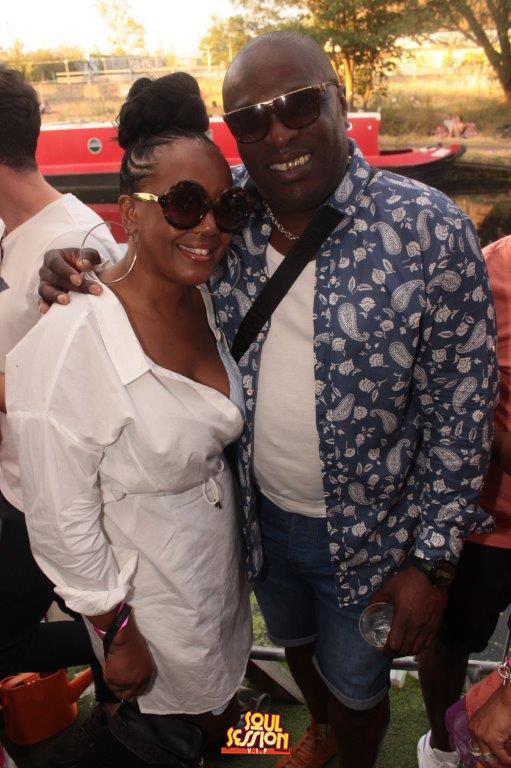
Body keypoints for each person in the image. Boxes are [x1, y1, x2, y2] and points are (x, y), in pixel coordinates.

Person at [38, 33, 497, 768]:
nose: (278, 133)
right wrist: (69, 265)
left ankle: (348, 750)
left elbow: (462, 413)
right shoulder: (226, 217)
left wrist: (431, 564)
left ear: (338, 101)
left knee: (360, 691)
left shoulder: (428, 230)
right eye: (252, 119)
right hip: (256, 522)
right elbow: (150, 254)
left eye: (299, 105)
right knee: (299, 650)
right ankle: (316, 733)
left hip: (375, 534)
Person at [7, 72, 254, 767]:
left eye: (225, 206)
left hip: (211, 573)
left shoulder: (204, 296)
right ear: (129, 213)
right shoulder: (74, 337)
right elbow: (59, 519)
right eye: (183, 204)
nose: (208, 226)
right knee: (162, 730)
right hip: (147, 599)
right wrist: (116, 632)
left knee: (214, 715)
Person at [0, 64, 121, 748]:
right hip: (17, 485)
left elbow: (80, 396)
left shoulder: (75, 245)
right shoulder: (16, 230)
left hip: (58, 496)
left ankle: (140, 644)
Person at [418, 234, 511, 768]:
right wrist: (496, 442)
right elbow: (435, 389)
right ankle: (442, 746)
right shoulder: (483, 275)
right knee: (449, 641)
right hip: (483, 519)